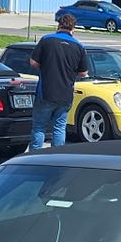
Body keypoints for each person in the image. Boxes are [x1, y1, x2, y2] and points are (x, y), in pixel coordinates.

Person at [28, 10, 88, 150]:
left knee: (39, 127)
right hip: (66, 94)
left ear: (59, 25)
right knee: (59, 127)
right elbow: (83, 73)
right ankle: (56, 156)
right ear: (73, 28)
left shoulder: (46, 40)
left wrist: (46, 65)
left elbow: (33, 62)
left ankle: (34, 156)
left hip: (46, 92)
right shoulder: (79, 46)